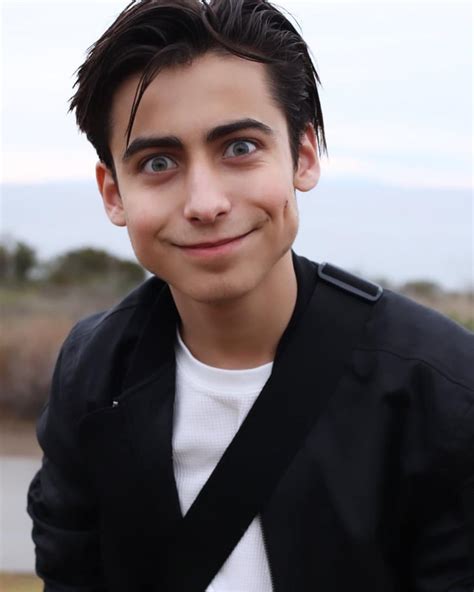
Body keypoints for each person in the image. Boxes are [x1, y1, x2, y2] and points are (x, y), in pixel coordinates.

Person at [27, 0, 474, 590]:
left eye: (239, 148)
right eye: (158, 162)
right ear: (113, 193)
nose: (205, 203)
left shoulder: (440, 387)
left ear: (304, 155)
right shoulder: (92, 372)